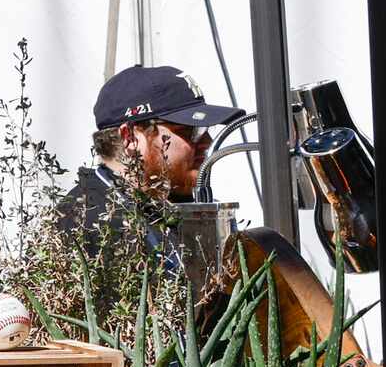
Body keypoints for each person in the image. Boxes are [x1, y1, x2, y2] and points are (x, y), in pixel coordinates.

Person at [50, 63, 243, 248]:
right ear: (130, 137)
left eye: (205, 130)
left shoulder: (174, 205)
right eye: (191, 131)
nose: (207, 142)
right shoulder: (84, 223)